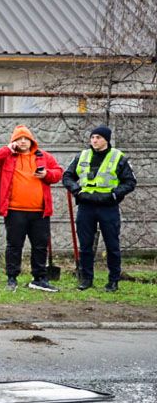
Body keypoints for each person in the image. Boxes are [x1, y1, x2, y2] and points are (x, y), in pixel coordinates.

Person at [62, 125, 137, 292]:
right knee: (85, 245)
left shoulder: (118, 157)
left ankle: (113, 281)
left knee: (112, 245)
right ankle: (86, 279)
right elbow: (67, 176)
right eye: (93, 137)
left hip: (108, 207)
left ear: (106, 140)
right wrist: (76, 190)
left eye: (98, 137)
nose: (94, 140)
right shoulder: (82, 156)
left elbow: (130, 182)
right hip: (86, 205)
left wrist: (114, 195)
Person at [0, 125, 63, 291]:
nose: (23, 141)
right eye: (19, 138)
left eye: (26, 138)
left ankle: (39, 278)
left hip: (39, 211)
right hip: (14, 211)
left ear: (32, 140)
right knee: (14, 245)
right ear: (14, 141)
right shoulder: (7, 157)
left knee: (40, 245)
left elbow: (58, 172)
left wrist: (47, 174)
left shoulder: (44, 157)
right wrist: (7, 149)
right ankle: (12, 278)